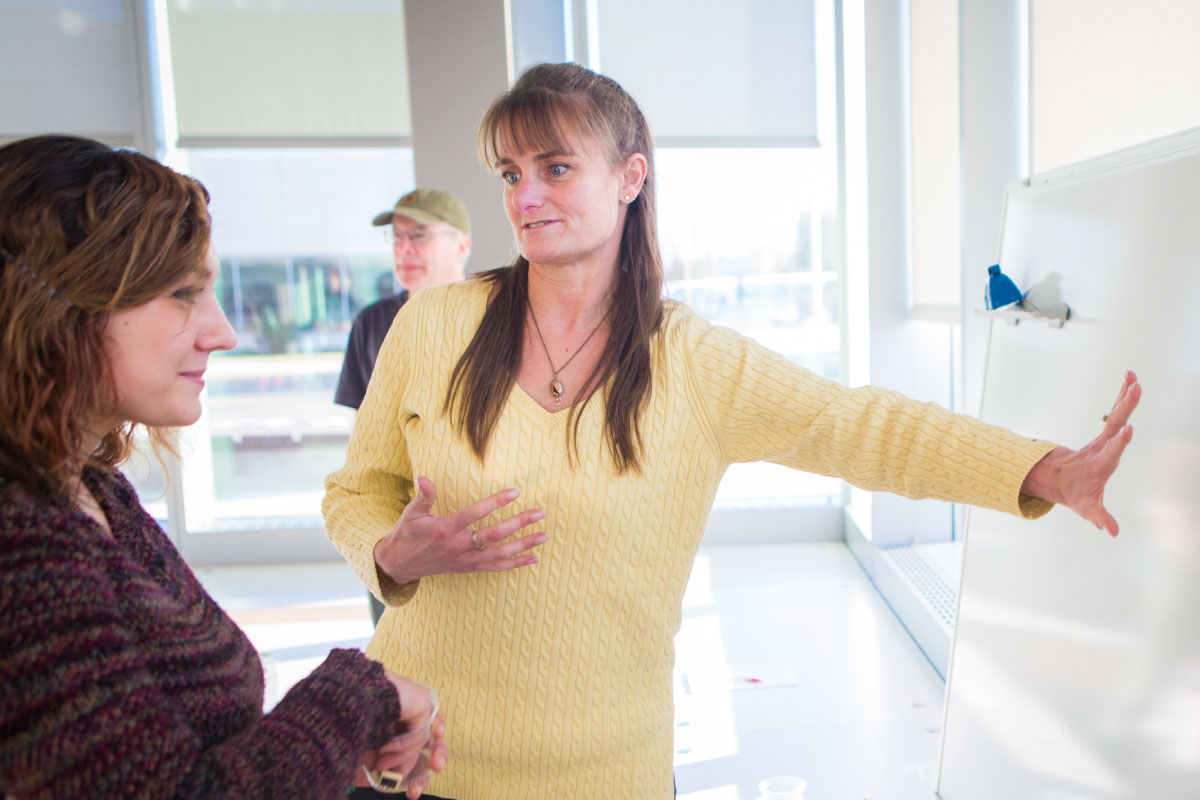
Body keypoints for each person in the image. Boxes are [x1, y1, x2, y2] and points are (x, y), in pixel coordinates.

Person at [323, 63, 1140, 800]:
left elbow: (861, 426)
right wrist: (389, 555)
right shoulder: (432, 326)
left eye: (556, 167)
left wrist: (1040, 470)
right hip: (415, 762)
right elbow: (356, 493)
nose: (525, 197)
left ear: (630, 177)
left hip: (607, 775)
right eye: (510, 174)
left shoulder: (693, 361)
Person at [0, 135, 446, 798]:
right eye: (184, 293)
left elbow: (170, 747)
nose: (223, 333)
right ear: (62, 307)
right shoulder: (24, 537)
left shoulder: (94, 493)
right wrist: (356, 695)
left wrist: (311, 751)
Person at [334, 188, 472, 411]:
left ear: (462, 246)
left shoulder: (488, 314)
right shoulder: (370, 322)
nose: (403, 248)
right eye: (397, 235)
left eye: (419, 235)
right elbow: (360, 422)